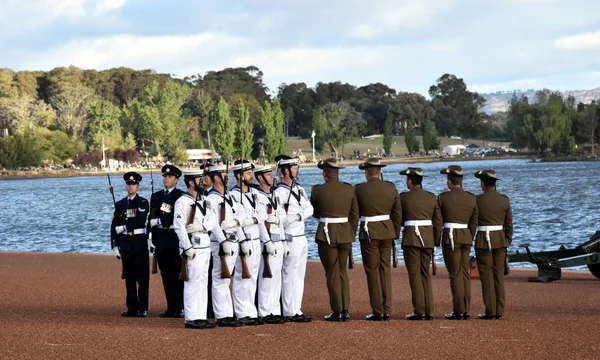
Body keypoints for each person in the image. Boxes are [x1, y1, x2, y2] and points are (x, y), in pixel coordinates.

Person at [310, 158, 359, 322]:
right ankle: (345, 309)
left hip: (327, 234)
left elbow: (315, 212)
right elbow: (354, 215)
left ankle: (337, 310)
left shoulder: (317, 190)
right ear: (337, 173)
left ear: (325, 174)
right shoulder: (349, 189)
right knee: (342, 271)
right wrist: (350, 232)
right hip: (345, 234)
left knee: (332, 272)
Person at [354, 158, 402, 321]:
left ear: (367, 173)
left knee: (372, 271)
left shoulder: (359, 189)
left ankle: (377, 310)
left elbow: (354, 212)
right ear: (379, 172)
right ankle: (387, 309)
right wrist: (395, 232)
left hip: (369, 233)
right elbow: (397, 213)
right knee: (385, 270)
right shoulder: (390, 187)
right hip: (387, 231)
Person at [173, 169, 220, 329]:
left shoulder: (205, 200)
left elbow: (213, 220)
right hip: (193, 247)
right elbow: (179, 227)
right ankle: (191, 317)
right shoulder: (182, 202)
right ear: (191, 182)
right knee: (192, 282)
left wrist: (202, 226)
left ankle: (201, 315)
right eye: (199, 179)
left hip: (205, 245)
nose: (202, 181)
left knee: (202, 282)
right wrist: (187, 247)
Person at [272, 154, 314, 322]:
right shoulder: (279, 193)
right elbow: (281, 217)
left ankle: (297, 308)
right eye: (294, 168)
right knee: (289, 275)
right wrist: (297, 215)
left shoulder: (299, 190)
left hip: (301, 236)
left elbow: (309, 209)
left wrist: (298, 216)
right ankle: (289, 310)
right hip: (289, 238)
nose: (297, 171)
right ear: (285, 171)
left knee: (299, 276)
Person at [204, 163, 247, 327]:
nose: (228, 178)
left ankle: (228, 312)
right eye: (224, 175)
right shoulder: (211, 199)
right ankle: (222, 315)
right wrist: (223, 241)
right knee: (220, 278)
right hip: (220, 243)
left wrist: (236, 225)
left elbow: (241, 213)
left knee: (226, 279)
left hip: (233, 240)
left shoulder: (229, 196)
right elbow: (213, 223)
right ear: (216, 178)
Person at [398, 167, 442, 320]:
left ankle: (419, 310)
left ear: (410, 182)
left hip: (411, 238)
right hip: (428, 239)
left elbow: (399, 217)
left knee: (414, 274)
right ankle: (429, 310)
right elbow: (438, 221)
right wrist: (436, 241)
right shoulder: (431, 197)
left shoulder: (403, 197)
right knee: (425, 274)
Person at [437, 165, 478, 320]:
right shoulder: (471, 197)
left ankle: (458, 311)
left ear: (449, 182)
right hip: (466, 237)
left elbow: (438, 221)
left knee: (455, 274)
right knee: (464, 273)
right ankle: (465, 309)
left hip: (451, 237)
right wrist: (469, 235)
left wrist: (436, 240)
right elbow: (474, 220)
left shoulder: (442, 198)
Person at [229, 160, 267, 326]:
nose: (252, 176)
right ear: (239, 175)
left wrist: (251, 219)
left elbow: (263, 214)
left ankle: (250, 310)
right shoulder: (233, 195)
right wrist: (242, 238)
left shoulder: (255, 193)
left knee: (252, 276)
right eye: (248, 173)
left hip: (256, 237)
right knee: (241, 276)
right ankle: (241, 311)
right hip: (243, 238)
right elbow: (236, 221)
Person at [473, 170, 513, 320]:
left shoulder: (476, 200)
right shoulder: (504, 200)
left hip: (483, 239)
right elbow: (509, 224)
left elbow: (473, 222)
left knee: (486, 276)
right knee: (498, 276)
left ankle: (490, 310)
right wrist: (506, 240)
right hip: (500, 240)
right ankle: (499, 310)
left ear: (482, 184)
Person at [110, 172, 150, 317]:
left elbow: (139, 221)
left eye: (133, 184)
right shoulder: (120, 204)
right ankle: (132, 307)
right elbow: (114, 225)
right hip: (126, 243)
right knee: (129, 277)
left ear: (138, 186)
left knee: (142, 277)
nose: (130, 186)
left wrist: (125, 227)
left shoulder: (143, 202)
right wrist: (115, 245)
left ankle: (143, 308)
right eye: (128, 184)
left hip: (139, 242)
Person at [147, 165, 184, 318]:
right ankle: (171, 307)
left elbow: (177, 216)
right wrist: (150, 237)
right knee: (166, 276)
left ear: (176, 179)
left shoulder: (181, 196)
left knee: (178, 275)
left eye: (169, 176)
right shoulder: (156, 196)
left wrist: (160, 220)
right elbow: (150, 217)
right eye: (164, 176)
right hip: (161, 239)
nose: (166, 179)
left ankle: (180, 307)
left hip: (174, 238)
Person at [254, 164, 285, 324]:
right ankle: (265, 311)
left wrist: (278, 220)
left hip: (278, 238)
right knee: (267, 276)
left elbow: (282, 215)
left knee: (276, 276)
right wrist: (266, 241)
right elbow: (259, 222)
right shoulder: (257, 196)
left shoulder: (274, 195)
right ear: (260, 178)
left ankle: (275, 309)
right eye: (268, 175)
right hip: (266, 240)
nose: (272, 177)